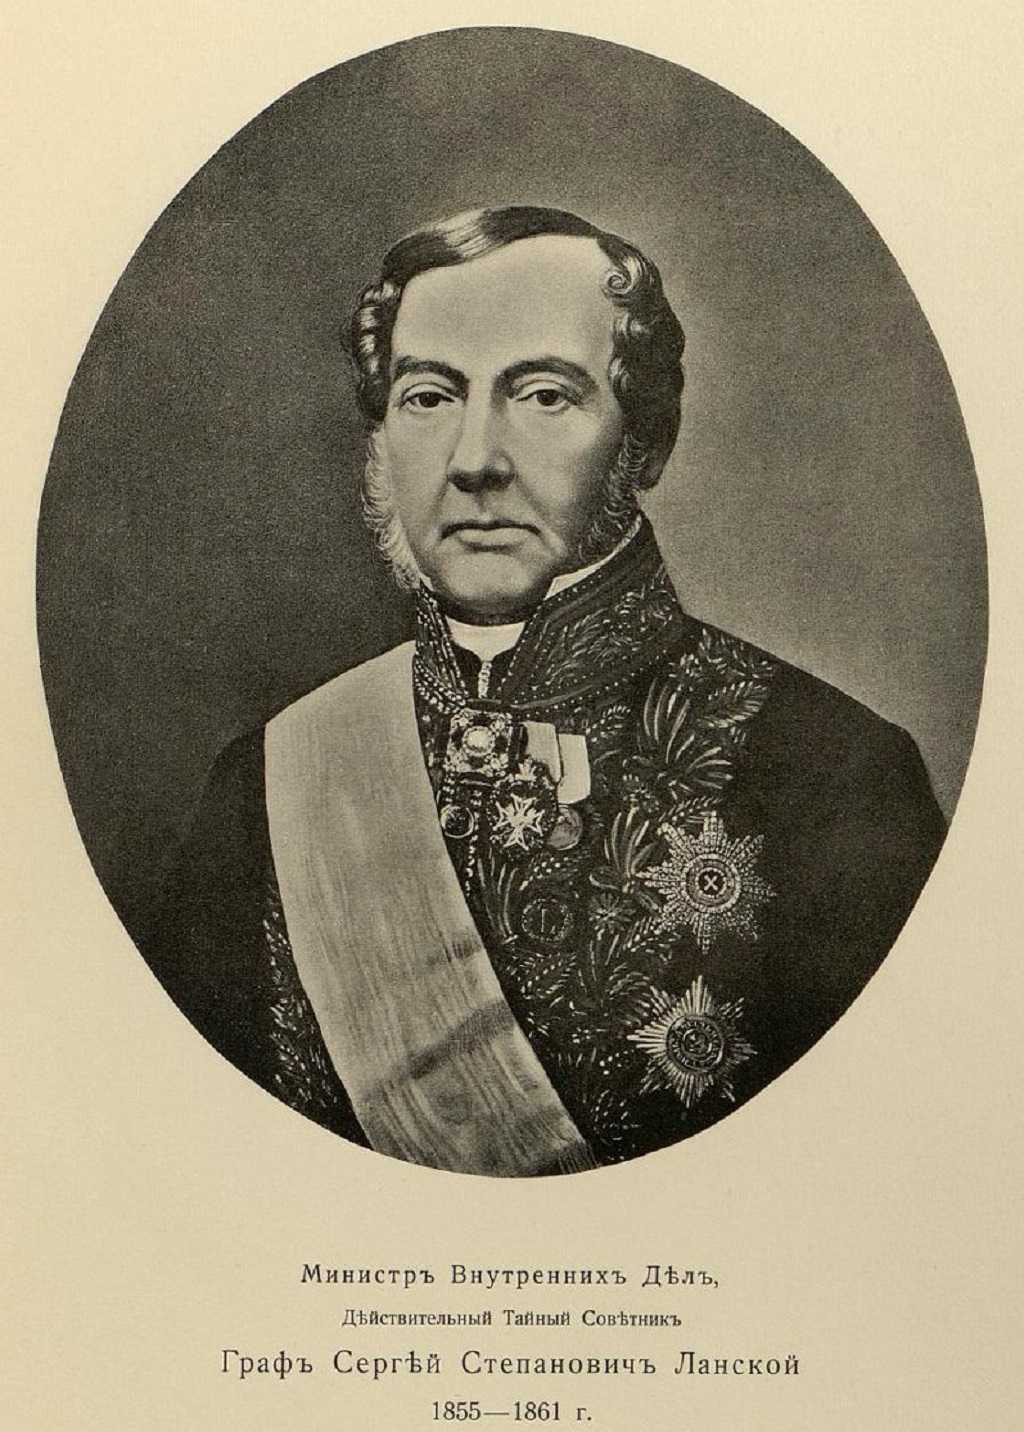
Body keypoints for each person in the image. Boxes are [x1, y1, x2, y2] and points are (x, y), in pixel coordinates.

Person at [147, 206, 947, 1175]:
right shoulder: (263, 786)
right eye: (429, 396)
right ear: (381, 436)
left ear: (645, 442)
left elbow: (867, 1170)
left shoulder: (831, 775)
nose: (474, 460)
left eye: (541, 396)